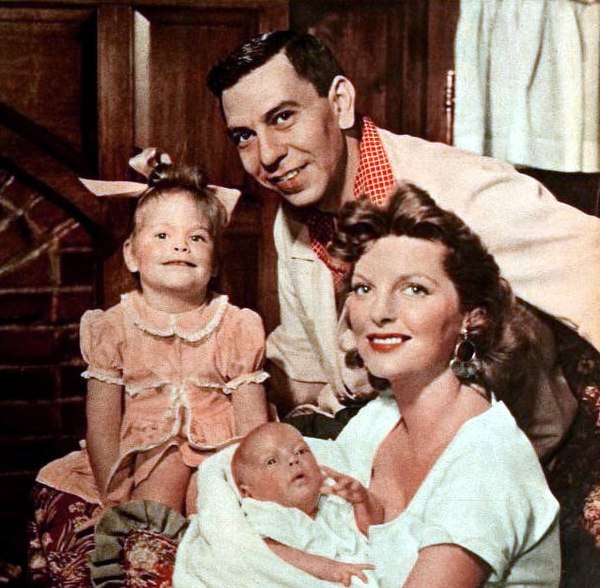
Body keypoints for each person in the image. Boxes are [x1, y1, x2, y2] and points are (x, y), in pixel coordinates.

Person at [205, 182, 561, 588]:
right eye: (365, 288)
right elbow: (312, 525)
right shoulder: (378, 419)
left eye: (414, 289)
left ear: (472, 317)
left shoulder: (485, 466)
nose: (379, 312)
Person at [206, 29, 600, 453]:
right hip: (384, 445)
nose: (266, 156)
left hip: (497, 459)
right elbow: (307, 372)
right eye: (244, 135)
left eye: (283, 117)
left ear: (340, 103)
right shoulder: (295, 219)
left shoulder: (459, 190)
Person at [36, 156, 268, 515]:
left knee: (216, 507)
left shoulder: (236, 326)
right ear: (131, 255)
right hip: (147, 455)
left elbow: (254, 423)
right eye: (162, 235)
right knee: (159, 492)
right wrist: (111, 494)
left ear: (215, 262)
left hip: (224, 453)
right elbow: (102, 424)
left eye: (197, 237)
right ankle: (150, 549)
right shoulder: (113, 328)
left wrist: (259, 485)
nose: (181, 246)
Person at [232, 421, 382, 586]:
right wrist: (325, 568)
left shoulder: (333, 497)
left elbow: (373, 530)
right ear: (249, 492)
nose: (293, 460)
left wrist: (362, 501)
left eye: (301, 451)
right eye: (271, 461)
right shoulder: (266, 512)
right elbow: (265, 552)